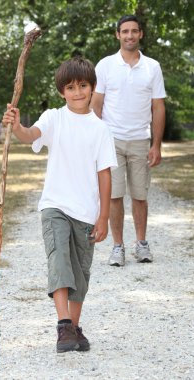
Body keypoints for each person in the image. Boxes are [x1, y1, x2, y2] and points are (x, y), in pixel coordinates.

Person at [2, 57, 117, 353]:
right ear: (61, 91)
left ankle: (74, 328)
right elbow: (30, 136)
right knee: (59, 259)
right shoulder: (54, 118)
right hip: (55, 205)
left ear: (92, 88)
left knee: (80, 272)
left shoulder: (100, 129)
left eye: (83, 85)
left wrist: (104, 217)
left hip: (87, 213)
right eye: (70, 87)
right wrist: (16, 126)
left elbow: (104, 175)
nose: (77, 92)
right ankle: (63, 324)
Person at [91, 14, 166, 267]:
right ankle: (117, 247)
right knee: (114, 197)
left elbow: (158, 107)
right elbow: (96, 104)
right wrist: (95, 141)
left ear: (141, 34)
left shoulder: (152, 67)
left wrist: (156, 144)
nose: (130, 35)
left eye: (134, 31)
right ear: (117, 35)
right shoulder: (105, 66)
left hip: (140, 141)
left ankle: (141, 244)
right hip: (111, 140)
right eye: (125, 31)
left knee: (140, 196)